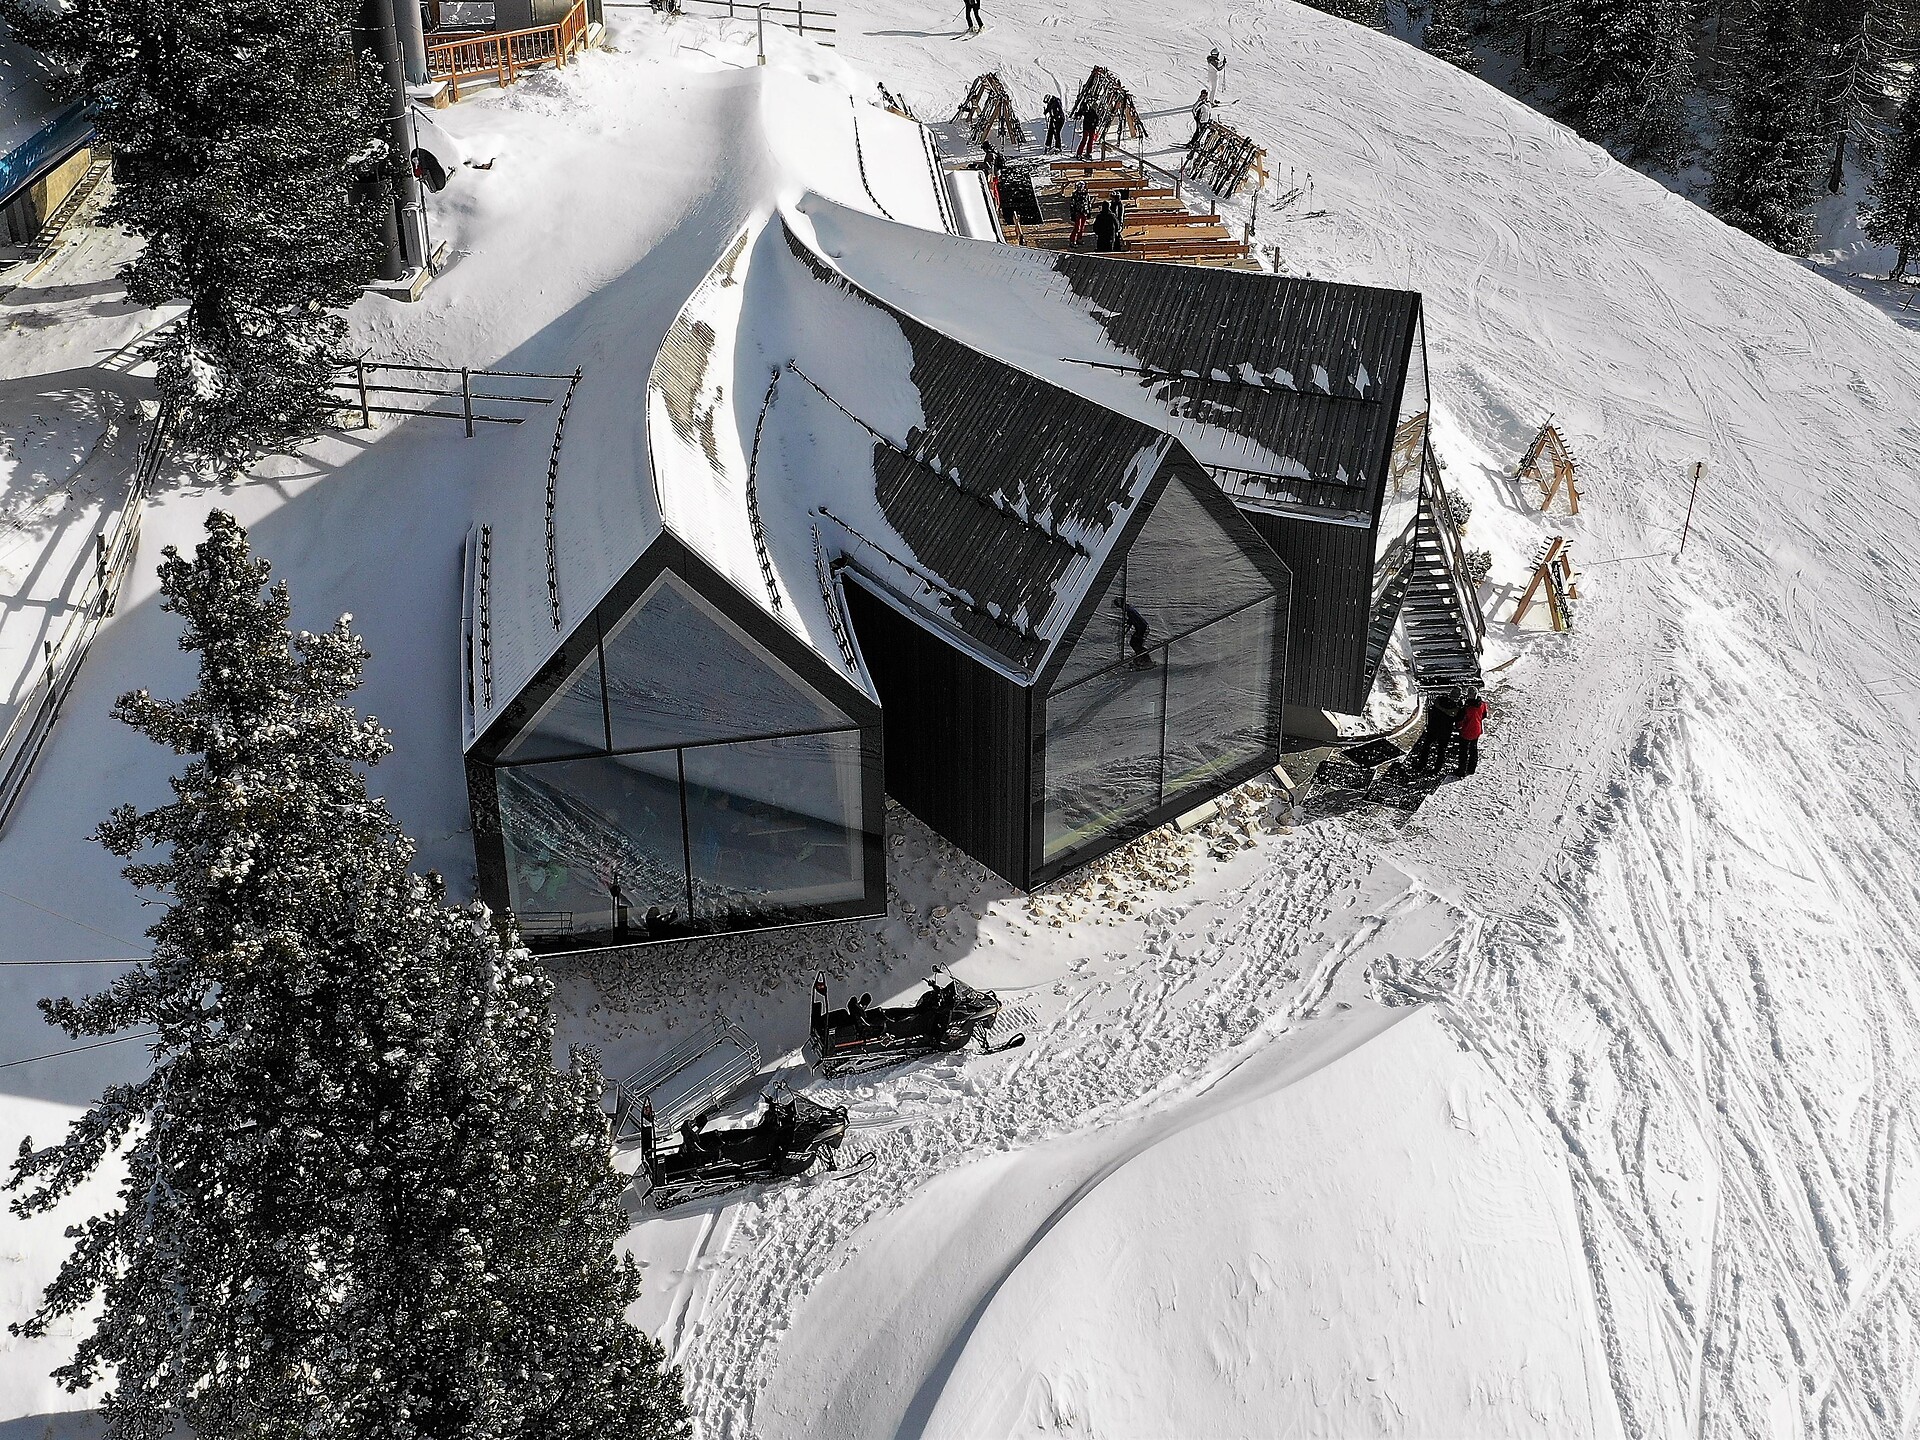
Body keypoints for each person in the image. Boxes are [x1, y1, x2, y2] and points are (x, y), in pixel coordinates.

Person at [1409, 687, 1463, 775]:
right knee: (1441, 750)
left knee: (1427, 746)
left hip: (1434, 727)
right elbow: (1458, 718)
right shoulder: (1458, 707)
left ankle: (1422, 764)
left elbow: (1434, 706)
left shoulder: (1441, 700)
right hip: (1445, 730)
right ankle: (1436, 768)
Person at [1457, 689, 1489, 777]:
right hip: (1477, 730)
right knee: (1473, 750)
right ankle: (1471, 768)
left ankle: (1461, 770)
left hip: (1466, 732)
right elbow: (1484, 715)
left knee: (1463, 752)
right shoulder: (1482, 704)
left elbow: (1460, 722)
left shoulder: (1466, 708)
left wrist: (1459, 727)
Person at [1067, 181, 1092, 246]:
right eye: (1078, 187)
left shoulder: (1086, 194)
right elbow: (1072, 205)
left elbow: (1088, 203)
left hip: (1084, 212)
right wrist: (1072, 214)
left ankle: (1079, 239)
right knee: (1077, 227)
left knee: (1082, 227)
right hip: (1077, 213)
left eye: (1081, 187)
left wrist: (1089, 212)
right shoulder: (1075, 195)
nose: (1080, 189)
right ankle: (1072, 240)